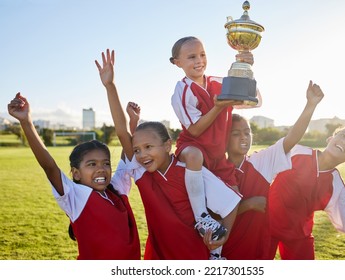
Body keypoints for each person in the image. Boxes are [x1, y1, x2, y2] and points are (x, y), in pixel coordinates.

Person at [95, 49, 241, 260]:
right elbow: (121, 130)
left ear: (167, 145)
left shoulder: (191, 171)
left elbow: (230, 204)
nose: (142, 155)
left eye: (148, 147)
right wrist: (110, 86)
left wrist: (221, 240)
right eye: (137, 150)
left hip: (195, 258)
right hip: (160, 257)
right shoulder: (141, 171)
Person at [7, 93, 141, 260]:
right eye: (92, 164)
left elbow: (128, 152)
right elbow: (49, 167)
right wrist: (26, 122)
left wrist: (133, 123)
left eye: (105, 163)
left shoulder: (118, 189)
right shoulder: (76, 197)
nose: (101, 169)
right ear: (76, 173)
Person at [170, 36, 261, 259]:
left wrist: (246, 70)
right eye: (191, 57)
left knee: (234, 199)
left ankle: (216, 252)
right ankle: (201, 215)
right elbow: (194, 131)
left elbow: (254, 101)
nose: (199, 60)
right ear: (177, 62)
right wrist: (219, 107)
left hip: (218, 157)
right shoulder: (181, 91)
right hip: (192, 147)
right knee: (194, 155)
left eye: (202, 54)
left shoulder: (220, 82)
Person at [223, 80, 324, 259]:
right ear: (224, 138)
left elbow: (291, 139)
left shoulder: (260, 161)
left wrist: (310, 105)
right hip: (226, 249)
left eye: (247, 132)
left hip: (257, 248)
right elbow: (211, 218)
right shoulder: (216, 170)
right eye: (236, 134)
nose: (244, 137)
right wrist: (248, 205)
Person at [268, 126, 345, 260]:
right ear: (330, 139)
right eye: (343, 135)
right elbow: (261, 168)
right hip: (264, 225)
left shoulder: (335, 185)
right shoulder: (296, 152)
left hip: (298, 235)